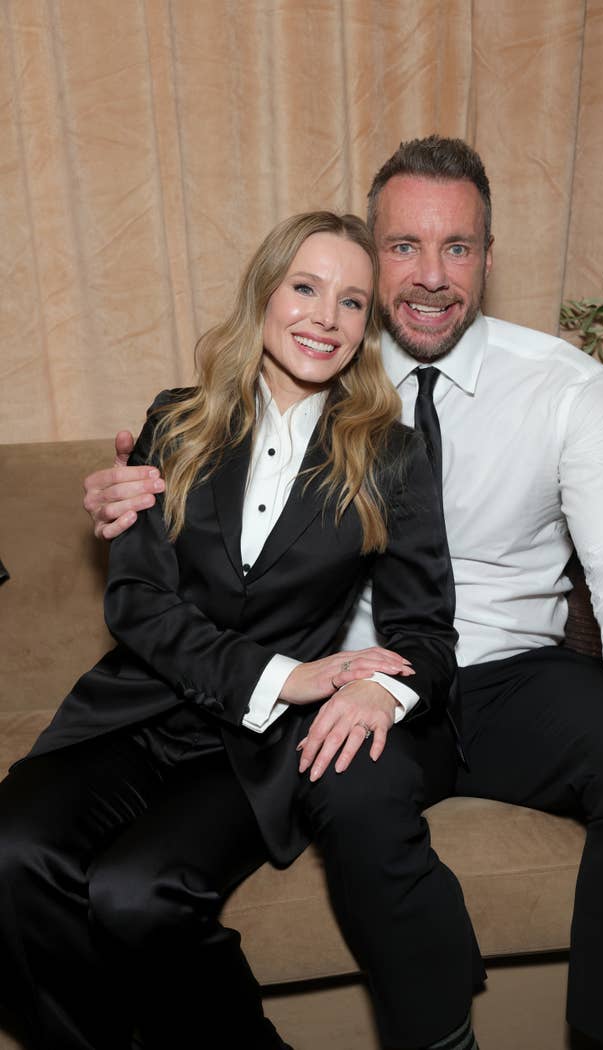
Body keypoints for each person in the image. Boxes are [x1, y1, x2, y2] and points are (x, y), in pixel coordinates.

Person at [87, 137, 603, 1050]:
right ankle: (440, 1033)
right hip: (364, 674)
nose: (431, 276)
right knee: (348, 785)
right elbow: (199, 464)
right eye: (404, 246)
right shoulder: (310, 358)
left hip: (514, 672)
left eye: (458, 247)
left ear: (488, 259)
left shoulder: (569, 390)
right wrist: (136, 488)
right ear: (371, 256)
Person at [0, 210, 480, 1050]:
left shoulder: (392, 455)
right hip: (136, 711)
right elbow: (137, 601)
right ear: (263, 295)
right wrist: (284, 674)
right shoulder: (177, 419)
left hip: (252, 753)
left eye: (351, 302)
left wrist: (376, 687)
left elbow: (429, 636)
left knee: (136, 893)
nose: (325, 318)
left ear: (367, 326)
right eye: (305, 288)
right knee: (9, 852)